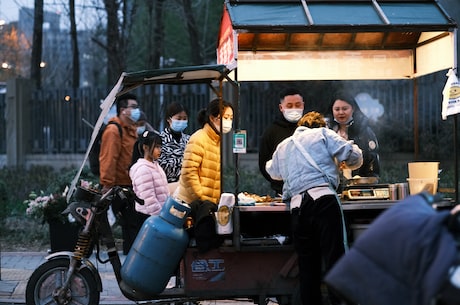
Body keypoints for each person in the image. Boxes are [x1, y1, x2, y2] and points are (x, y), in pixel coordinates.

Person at [265, 111, 363, 305]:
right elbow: (353, 155)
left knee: (308, 268)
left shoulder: (284, 145)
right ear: (321, 126)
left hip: (298, 207)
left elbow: (272, 171)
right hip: (323, 201)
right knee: (335, 260)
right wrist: (345, 161)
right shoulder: (323, 134)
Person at [99, 92, 141, 255]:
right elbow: (108, 160)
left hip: (130, 186)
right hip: (118, 187)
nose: (137, 111)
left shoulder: (131, 130)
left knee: (132, 226)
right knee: (129, 225)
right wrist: (107, 186)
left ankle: (131, 260)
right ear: (123, 110)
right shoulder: (114, 131)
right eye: (134, 107)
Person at [175, 98, 234, 205]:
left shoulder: (217, 141)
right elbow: (189, 173)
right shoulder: (198, 139)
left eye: (231, 118)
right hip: (193, 204)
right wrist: (201, 198)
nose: (228, 122)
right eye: (225, 117)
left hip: (208, 204)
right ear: (212, 118)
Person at [259, 87, 305, 195]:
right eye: (289, 106)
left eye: (298, 105)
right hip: (282, 193)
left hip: (310, 192)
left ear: (303, 105)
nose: (294, 109)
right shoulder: (271, 132)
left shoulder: (312, 129)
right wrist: (279, 184)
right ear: (281, 107)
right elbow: (263, 164)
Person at [327, 91, 380, 179]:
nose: (341, 112)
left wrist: (370, 180)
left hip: (358, 183)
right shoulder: (327, 132)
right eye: (337, 109)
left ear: (353, 109)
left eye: (344, 109)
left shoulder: (364, 131)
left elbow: (372, 160)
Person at [129, 130, 169, 223]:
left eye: (160, 147)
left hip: (159, 214)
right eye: (156, 147)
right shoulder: (143, 170)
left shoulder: (155, 165)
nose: (160, 150)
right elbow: (149, 199)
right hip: (149, 216)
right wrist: (161, 216)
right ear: (145, 147)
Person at [158, 102, 191, 191]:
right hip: (166, 187)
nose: (182, 121)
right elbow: (161, 165)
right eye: (178, 118)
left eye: (184, 119)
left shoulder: (189, 140)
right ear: (169, 119)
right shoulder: (160, 140)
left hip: (186, 187)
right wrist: (184, 163)